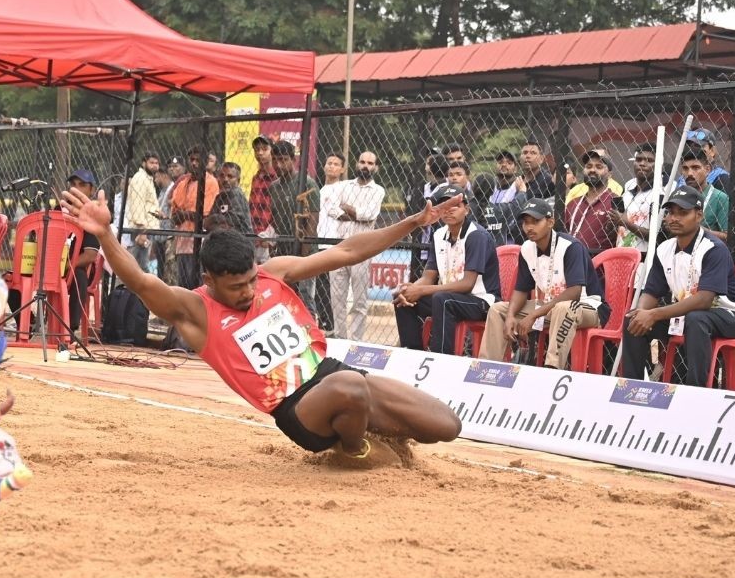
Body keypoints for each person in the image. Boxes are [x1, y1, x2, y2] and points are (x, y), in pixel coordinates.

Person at [58, 185, 463, 459]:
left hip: (331, 373)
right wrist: (106, 235)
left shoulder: (274, 274)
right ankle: (353, 453)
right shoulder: (195, 311)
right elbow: (142, 282)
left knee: (446, 424)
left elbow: (347, 252)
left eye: (251, 280)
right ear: (209, 280)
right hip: (298, 408)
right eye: (237, 287)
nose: (249, 291)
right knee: (352, 385)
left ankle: (377, 433)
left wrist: (413, 222)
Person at [621, 186, 735, 387]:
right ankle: (633, 388)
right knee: (632, 319)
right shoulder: (664, 249)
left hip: (733, 316)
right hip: (690, 316)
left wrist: (654, 314)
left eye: (683, 213)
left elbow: (704, 300)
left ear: (699, 215)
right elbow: (651, 292)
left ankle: (695, 392)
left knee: (696, 319)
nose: (674, 218)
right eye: (670, 213)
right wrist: (642, 313)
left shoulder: (713, 248)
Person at [480, 197, 608, 369]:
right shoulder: (527, 248)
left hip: (587, 307)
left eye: (535, 221)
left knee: (564, 308)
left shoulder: (570, 246)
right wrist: (510, 316)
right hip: (549, 306)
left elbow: (575, 292)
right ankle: (487, 368)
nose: (529, 227)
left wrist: (534, 315)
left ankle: (551, 369)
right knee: (498, 310)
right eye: (526, 222)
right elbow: (521, 290)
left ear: (550, 222)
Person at [394, 185, 500, 355]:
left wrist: (422, 290)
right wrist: (412, 289)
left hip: (481, 300)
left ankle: (441, 358)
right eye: (445, 206)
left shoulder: (476, 236)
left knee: (442, 300)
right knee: (401, 297)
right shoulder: (438, 235)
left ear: (466, 209)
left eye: (455, 205)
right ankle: (412, 355)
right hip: (448, 297)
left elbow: (467, 284)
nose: (449, 210)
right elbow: (428, 277)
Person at [329, 151, 385, 341]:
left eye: (370, 163)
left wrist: (347, 208)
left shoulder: (378, 191)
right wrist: (356, 214)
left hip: (363, 250)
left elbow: (369, 215)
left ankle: (356, 342)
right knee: (337, 298)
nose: (365, 166)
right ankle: (340, 338)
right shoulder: (344, 186)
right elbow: (332, 210)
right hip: (339, 246)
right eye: (362, 162)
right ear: (356, 164)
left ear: (376, 167)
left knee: (359, 301)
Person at [268, 141, 319, 314]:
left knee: (304, 297)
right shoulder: (274, 187)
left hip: (305, 251)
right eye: (275, 160)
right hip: (283, 249)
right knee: (283, 296)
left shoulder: (307, 184)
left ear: (293, 160)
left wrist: (303, 257)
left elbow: (312, 221)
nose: (278, 165)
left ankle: (311, 326)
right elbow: (275, 218)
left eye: (283, 160)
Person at [170, 147, 219, 290]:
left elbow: (205, 215)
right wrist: (186, 215)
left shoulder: (210, 182)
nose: (194, 163)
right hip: (182, 242)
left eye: (198, 160)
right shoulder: (183, 183)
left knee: (199, 287)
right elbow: (175, 214)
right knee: (183, 287)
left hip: (201, 242)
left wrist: (184, 214)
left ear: (205, 162)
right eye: (192, 160)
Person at [67, 169, 102, 331]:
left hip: (80, 266)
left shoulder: (93, 215)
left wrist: (66, 266)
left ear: (92, 190)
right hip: (54, 265)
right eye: (73, 184)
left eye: (82, 185)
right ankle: (28, 324)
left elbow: (90, 256)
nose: (76, 188)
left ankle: (70, 329)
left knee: (78, 275)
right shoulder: (59, 209)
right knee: (13, 277)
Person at [315, 153, 346, 332]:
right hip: (318, 240)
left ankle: (330, 325)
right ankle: (324, 322)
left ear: (342, 169)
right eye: (329, 163)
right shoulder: (321, 190)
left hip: (333, 241)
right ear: (324, 166)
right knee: (320, 287)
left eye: (336, 164)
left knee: (328, 288)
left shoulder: (343, 188)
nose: (332, 166)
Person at [564, 149, 617, 254]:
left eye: (599, 167)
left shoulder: (615, 202)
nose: (592, 170)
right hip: (570, 261)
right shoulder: (573, 203)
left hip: (599, 263)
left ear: (610, 174)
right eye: (588, 166)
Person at [405, 154, 449, 281]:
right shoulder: (424, 187)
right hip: (420, 241)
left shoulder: (445, 189)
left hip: (435, 240)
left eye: (427, 163)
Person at [610, 143, 656, 252]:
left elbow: (657, 236)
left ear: (659, 164)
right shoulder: (628, 187)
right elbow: (620, 225)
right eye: (638, 159)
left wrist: (625, 222)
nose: (642, 164)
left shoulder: (660, 192)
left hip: (644, 258)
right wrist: (614, 222)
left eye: (649, 160)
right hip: (621, 254)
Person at [680, 145, 729, 241]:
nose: (689, 173)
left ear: (707, 170)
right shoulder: (679, 196)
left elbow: (727, 237)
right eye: (685, 168)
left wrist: (698, 230)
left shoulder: (720, 198)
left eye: (695, 168)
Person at [126, 152, 161, 273]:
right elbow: (138, 204)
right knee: (140, 267)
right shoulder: (140, 179)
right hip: (142, 229)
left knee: (139, 266)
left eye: (156, 163)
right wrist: (142, 231)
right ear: (144, 163)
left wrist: (158, 212)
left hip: (146, 228)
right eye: (151, 163)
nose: (155, 166)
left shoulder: (148, 179)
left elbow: (147, 204)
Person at [248, 136, 277, 264]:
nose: (260, 153)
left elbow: (279, 210)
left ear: (272, 151)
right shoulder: (256, 177)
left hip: (269, 236)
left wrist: (270, 236)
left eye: (264, 149)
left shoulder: (277, 177)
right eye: (257, 149)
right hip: (253, 235)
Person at [207, 161, 253, 234]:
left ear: (238, 181)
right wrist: (217, 220)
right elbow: (207, 223)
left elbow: (233, 221)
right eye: (222, 176)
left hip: (239, 239)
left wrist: (215, 218)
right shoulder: (219, 197)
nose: (225, 179)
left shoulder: (236, 195)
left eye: (230, 176)